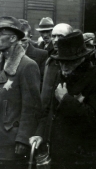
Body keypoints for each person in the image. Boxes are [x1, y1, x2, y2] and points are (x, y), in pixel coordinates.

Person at [30, 32, 96, 169]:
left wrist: (65, 99)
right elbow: (49, 109)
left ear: (81, 59)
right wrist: (40, 134)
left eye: (69, 62)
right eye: (61, 62)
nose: (64, 66)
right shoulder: (63, 75)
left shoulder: (93, 78)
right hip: (60, 155)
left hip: (83, 158)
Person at [0, 16, 42, 169]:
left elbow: (32, 106)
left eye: (0, 34)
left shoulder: (27, 66)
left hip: (12, 140)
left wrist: (23, 138)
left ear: (13, 38)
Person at [28, 23, 73, 168]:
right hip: (50, 131)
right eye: (53, 35)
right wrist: (40, 132)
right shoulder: (51, 62)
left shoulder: (81, 64)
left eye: (60, 36)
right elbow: (45, 102)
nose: (55, 39)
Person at [18, 19, 48, 90]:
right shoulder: (5, 54)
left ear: (30, 38)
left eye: (23, 40)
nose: (19, 43)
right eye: (17, 39)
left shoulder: (42, 55)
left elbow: (42, 82)